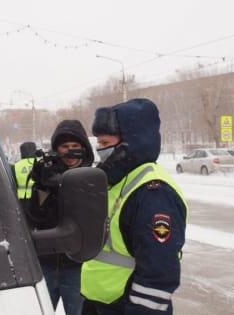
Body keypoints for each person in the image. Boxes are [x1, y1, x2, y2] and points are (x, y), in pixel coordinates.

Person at [81, 98, 188, 315]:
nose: (100, 151)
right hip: (102, 302)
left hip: (129, 307)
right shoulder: (117, 181)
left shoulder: (153, 192)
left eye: (104, 143)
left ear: (130, 143)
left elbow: (159, 272)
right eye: (98, 144)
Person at [26, 119, 94, 315]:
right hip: (46, 264)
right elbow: (35, 216)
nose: (70, 152)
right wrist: (43, 186)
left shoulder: (94, 176)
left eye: (75, 146)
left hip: (79, 267)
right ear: (56, 149)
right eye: (65, 146)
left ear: (84, 148)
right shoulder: (47, 174)